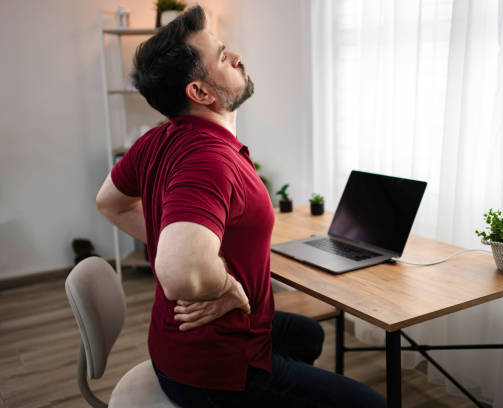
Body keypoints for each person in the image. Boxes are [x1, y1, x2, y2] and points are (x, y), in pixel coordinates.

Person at [95, 5, 386, 407]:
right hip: (215, 369)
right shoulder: (210, 159)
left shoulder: (158, 137)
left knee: (309, 335)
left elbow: (109, 201)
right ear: (200, 92)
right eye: (221, 57)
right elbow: (181, 272)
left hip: (175, 346)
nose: (236, 57)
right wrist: (222, 283)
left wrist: (180, 247)